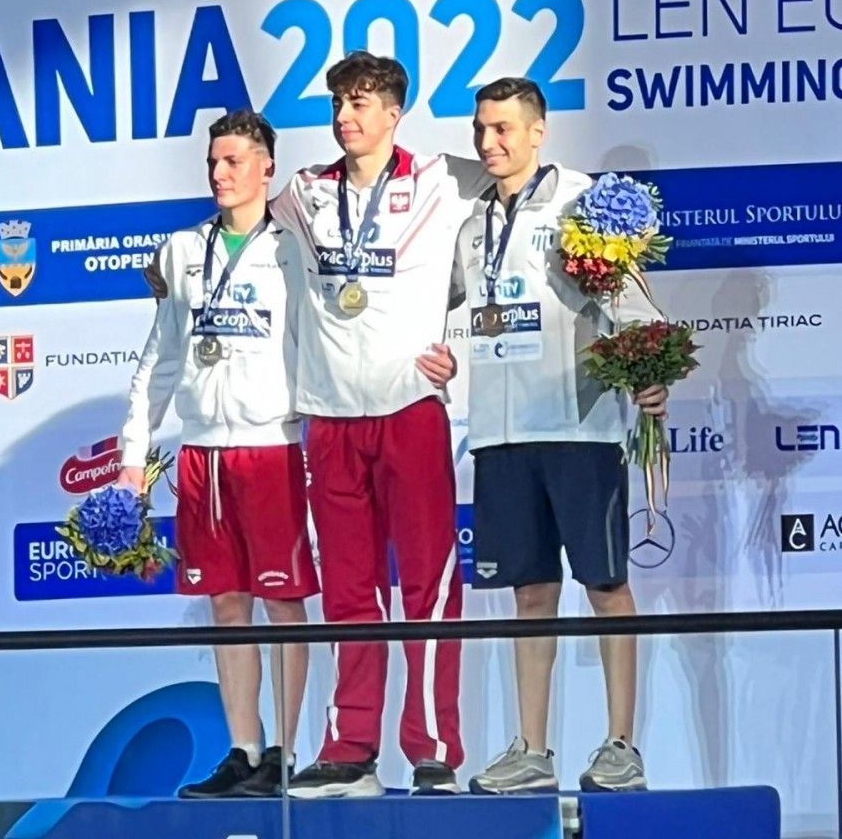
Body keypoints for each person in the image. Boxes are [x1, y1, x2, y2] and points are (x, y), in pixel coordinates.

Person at [267, 51, 490, 798]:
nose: (344, 117)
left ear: (394, 113)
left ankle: (432, 749)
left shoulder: (441, 179)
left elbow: (519, 179)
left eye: (360, 104)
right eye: (337, 104)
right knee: (348, 590)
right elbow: (243, 225)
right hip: (330, 419)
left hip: (410, 410)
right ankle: (349, 747)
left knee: (428, 584)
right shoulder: (305, 192)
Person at [451, 77, 667, 795]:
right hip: (499, 433)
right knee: (530, 593)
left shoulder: (582, 204)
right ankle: (531, 751)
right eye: (481, 129)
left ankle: (622, 745)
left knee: (606, 584)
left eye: (503, 129)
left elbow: (629, 303)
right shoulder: (469, 223)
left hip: (580, 426)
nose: (489, 142)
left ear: (538, 131)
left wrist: (649, 374)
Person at [118, 108, 319, 799]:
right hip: (203, 455)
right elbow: (160, 359)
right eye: (213, 162)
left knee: (283, 602)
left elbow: (319, 345)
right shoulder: (182, 250)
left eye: (233, 161)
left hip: (270, 447)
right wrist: (133, 454)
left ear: (267, 167)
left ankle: (286, 753)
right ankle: (243, 749)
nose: (220, 173)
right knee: (226, 603)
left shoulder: (293, 249)